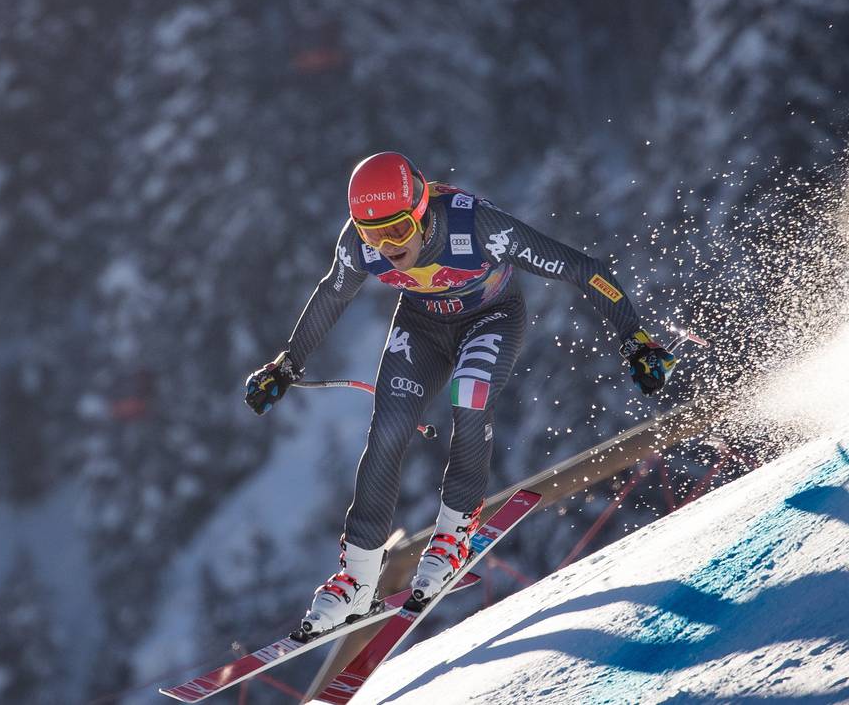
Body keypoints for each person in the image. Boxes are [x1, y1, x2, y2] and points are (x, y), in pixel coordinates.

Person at [243, 152, 676, 638]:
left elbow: (582, 269)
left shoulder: (478, 228)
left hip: (491, 318)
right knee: (387, 432)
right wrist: (286, 366)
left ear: (422, 212)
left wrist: (636, 339)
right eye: (372, 235)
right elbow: (331, 296)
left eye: (398, 232)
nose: (387, 248)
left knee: (468, 398)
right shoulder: (357, 245)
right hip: (422, 326)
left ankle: (453, 536)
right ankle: (358, 579)